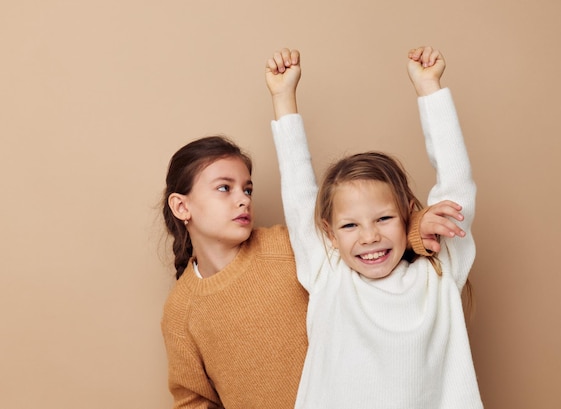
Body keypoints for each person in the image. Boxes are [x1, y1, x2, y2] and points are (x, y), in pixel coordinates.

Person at [159, 125, 462, 405]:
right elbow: (193, 399)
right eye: (225, 188)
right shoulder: (181, 311)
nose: (243, 199)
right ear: (181, 206)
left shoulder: (286, 246)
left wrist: (414, 230)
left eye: (247, 189)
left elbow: (357, 239)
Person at [266, 46, 483, 408]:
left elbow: (458, 188)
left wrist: (429, 88)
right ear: (329, 235)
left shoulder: (439, 272)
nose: (369, 237)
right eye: (350, 225)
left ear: (408, 214)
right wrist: (283, 97)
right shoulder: (327, 273)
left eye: (384, 218)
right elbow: (299, 193)